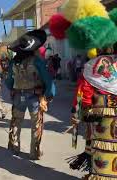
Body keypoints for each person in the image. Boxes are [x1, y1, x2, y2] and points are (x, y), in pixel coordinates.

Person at [48, 0, 117, 178]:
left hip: (100, 116)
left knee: (101, 151)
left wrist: (77, 112)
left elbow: (83, 92)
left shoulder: (91, 65)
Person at [6, 29, 56, 160]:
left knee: (16, 122)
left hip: (18, 96)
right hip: (34, 97)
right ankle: (34, 153)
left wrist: (12, 89)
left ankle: (15, 148)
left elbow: (8, 81)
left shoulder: (13, 62)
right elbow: (48, 80)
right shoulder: (37, 61)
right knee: (36, 126)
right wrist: (49, 94)